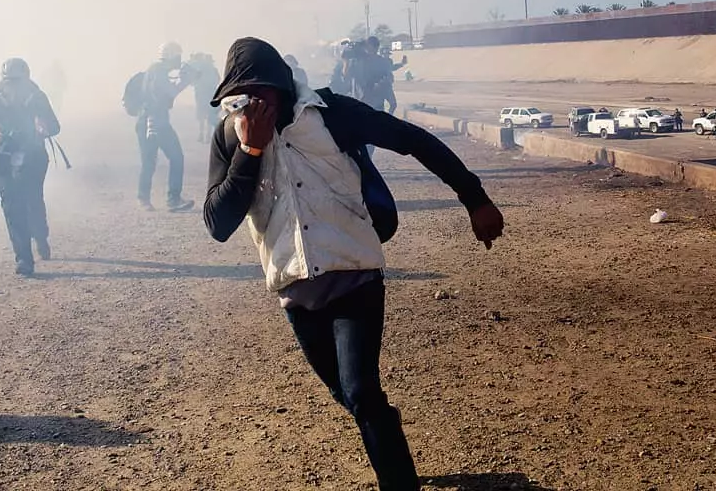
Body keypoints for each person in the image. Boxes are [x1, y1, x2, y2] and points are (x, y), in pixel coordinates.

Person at [203, 37, 504, 491]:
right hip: (296, 288)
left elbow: (411, 139)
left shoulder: (331, 113)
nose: (253, 105)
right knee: (349, 395)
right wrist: (251, 152)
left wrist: (474, 198)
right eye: (241, 97)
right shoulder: (233, 135)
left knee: (361, 391)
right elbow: (217, 222)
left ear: (283, 87)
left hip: (354, 271)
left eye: (262, 92)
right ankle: (384, 427)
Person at [0, 58, 61, 276]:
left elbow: (54, 126)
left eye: (17, 81)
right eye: (9, 81)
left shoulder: (36, 95)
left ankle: (41, 236)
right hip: (3, 158)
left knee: (33, 200)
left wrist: (43, 126)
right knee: (12, 208)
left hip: (33, 157)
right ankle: (24, 259)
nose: (13, 86)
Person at [123, 42, 195, 212]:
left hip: (152, 120)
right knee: (171, 158)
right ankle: (170, 199)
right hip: (153, 121)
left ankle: (148, 198)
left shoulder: (156, 70)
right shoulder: (159, 71)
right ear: (172, 56)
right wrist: (185, 81)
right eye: (178, 56)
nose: (180, 60)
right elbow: (168, 93)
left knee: (151, 161)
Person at [187, 52, 222, 144]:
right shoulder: (212, 69)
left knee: (202, 116)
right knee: (208, 115)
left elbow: (193, 82)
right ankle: (205, 135)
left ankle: (202, 134)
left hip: (202, 95)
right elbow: (217, 80)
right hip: (208, 95)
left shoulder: (201, 69)